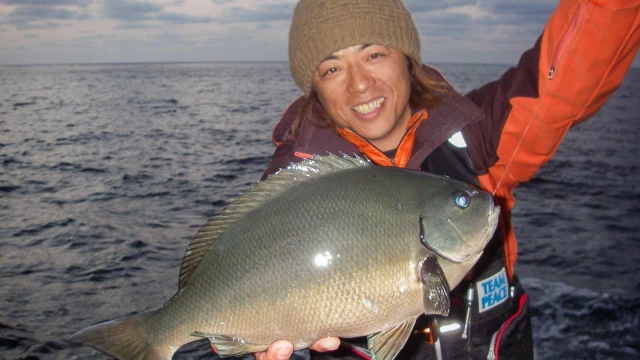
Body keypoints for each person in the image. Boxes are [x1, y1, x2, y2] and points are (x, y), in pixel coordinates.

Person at [211, 0, 640, 359]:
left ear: (407, 59)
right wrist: (247, 337)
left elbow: (569, 72)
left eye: (374, 54)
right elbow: (240, 277)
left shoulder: (478, 134)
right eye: (331, 69)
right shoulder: (293, 185)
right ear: (316, 89)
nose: (360, 84)